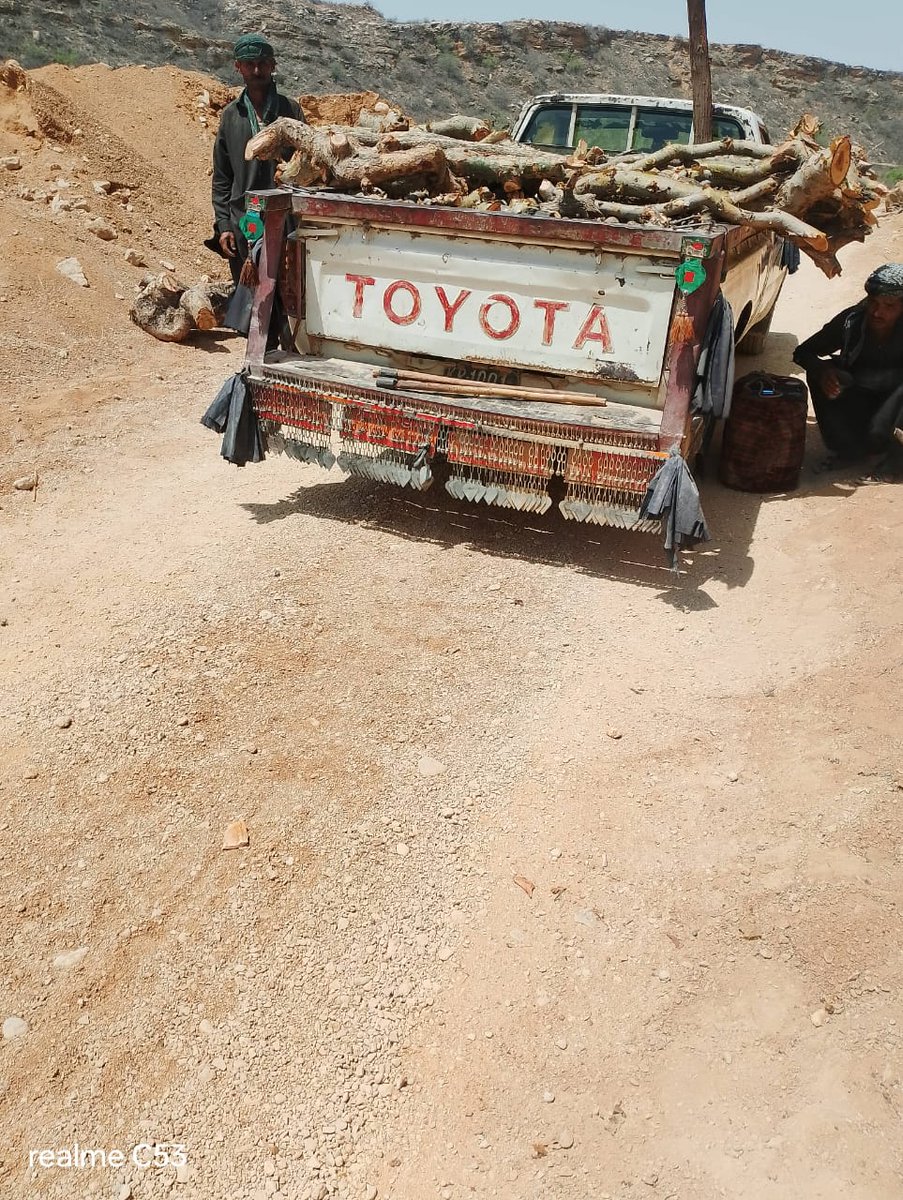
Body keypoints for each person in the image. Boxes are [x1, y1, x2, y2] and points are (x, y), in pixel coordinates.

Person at [793, 263, 903, 478]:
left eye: (889, 306)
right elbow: (803, 352)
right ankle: (848, 450)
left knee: (879, 431)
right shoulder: (851, 322)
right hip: (862, 393)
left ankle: (893, 458)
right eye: (873, 302)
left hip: (898, 398)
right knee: (825, 375)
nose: (877, 312)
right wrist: (822, 371)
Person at [211, 33, 303, 286]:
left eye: (262, 63)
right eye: (249, 63)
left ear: (273, 66)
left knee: (284, 294)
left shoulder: (291, 111)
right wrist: (224, 224)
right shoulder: (231, 116)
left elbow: (305, 168)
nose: (256, 69)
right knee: (248, 296)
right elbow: (222, 176)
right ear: (237, 66)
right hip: (244, 218)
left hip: (284, 219)